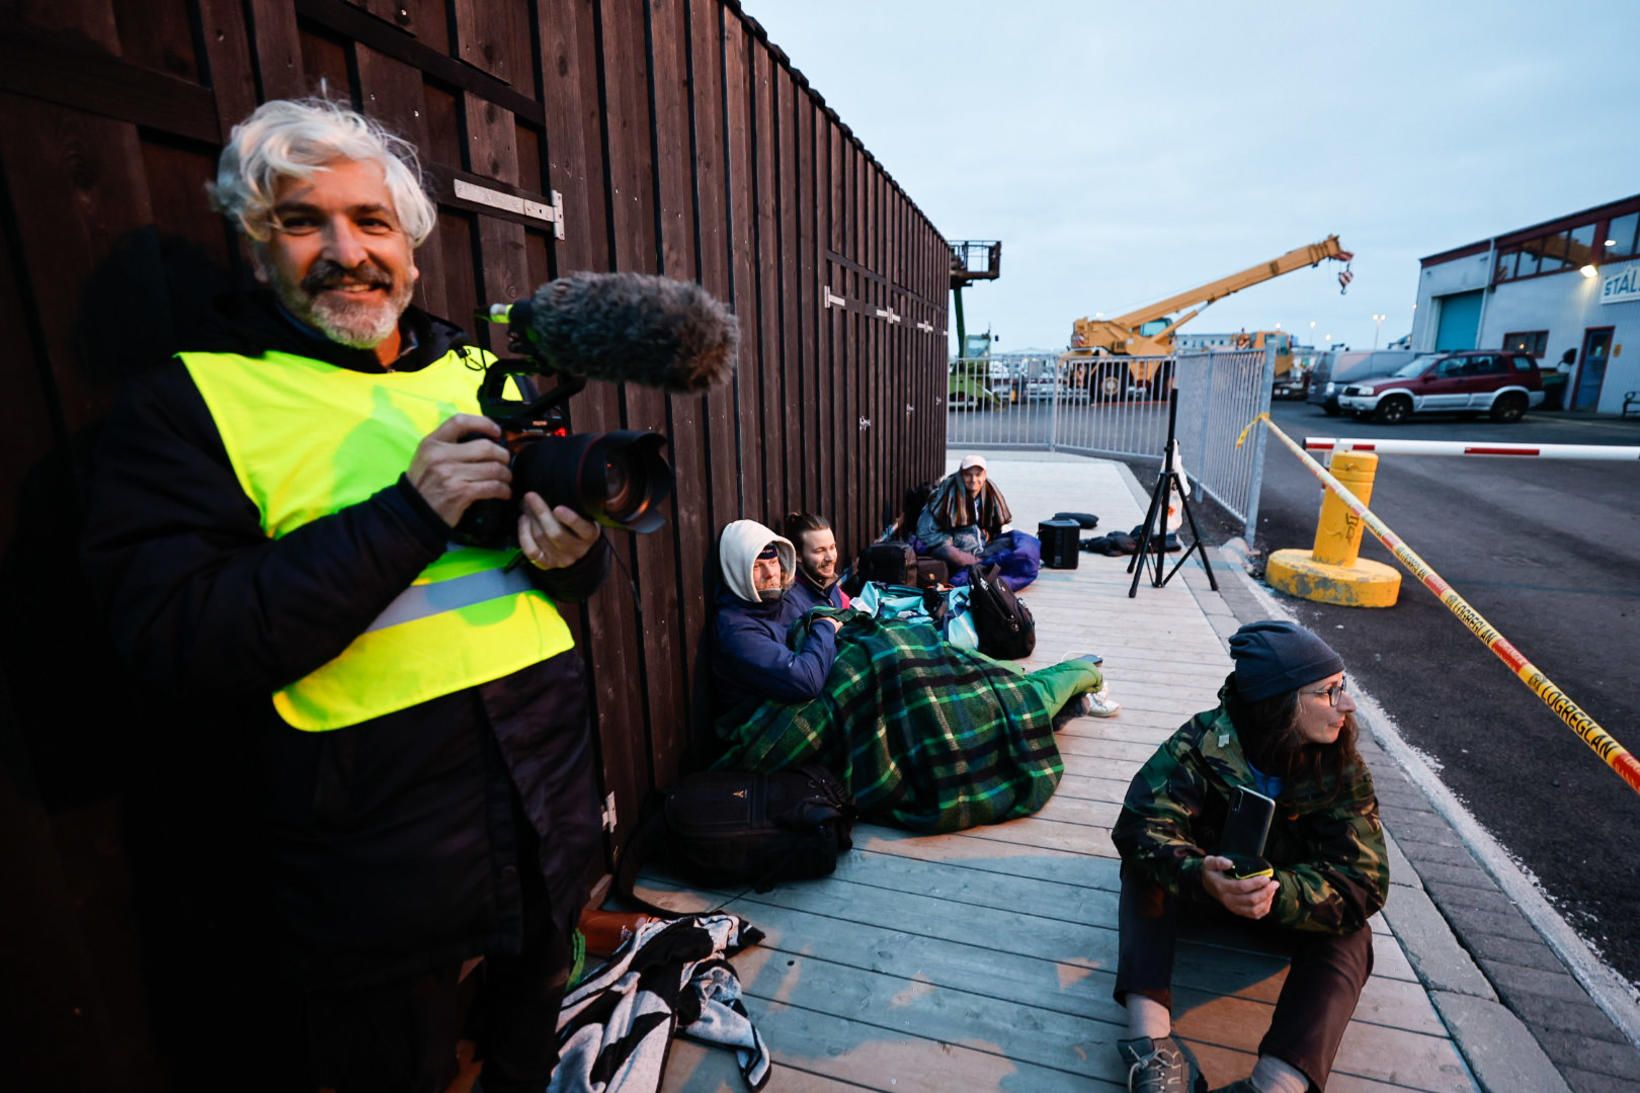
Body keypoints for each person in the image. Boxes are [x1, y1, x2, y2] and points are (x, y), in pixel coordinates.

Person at [82, 98, 611, 1092]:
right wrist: (409, 515)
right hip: (371, 863)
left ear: (409, 247)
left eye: (370, 221)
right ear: (254, 244)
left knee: (529, 1024)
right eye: (300, 220)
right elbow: (177, 640)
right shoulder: (190, 404)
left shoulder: (474, 368)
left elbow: (554, 581)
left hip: (546, 802)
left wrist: (573, 552)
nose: (345, 250)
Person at [1110, 620, 1387, 1093]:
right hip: (1208, 893)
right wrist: (1200, 874)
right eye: (1327, 692)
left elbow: (1363, 878)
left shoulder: (1340, 764)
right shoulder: (1202, 742)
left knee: (1352, 933)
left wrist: (1275, 893)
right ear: (1280, 704)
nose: (1347, 703)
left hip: (1284, 908)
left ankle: (1279, 1082)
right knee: (1143, 872)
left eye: (1342, 687)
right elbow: (1140, 825)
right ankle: (1151, 1048)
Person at [712, 519, 844, 712]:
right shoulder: (737, 630)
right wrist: (825, 626)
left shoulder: (782, 602)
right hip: (765, 722)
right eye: (757, 566)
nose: (770, 574)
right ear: (738, 571)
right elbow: (806, 681)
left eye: (773, 562)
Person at [916, 454, 1011, 567]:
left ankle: (983, 564)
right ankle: (983, 565)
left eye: (978, 475)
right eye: (968, 475)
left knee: (1015, 540)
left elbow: (997, 527)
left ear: (985, 475)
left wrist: (988, 534)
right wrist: (952, 540)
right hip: (955, 548)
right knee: (950, 553)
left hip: (981, 546)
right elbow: (924, 532)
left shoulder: (990, 494)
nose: (973, 480)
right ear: (960, 475)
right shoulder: (944, 495)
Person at [783, 511, 849, 612]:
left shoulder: (829, 584)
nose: (830, 557)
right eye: (820, 551)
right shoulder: (790, 603)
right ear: (798, 555)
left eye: (832, 547)